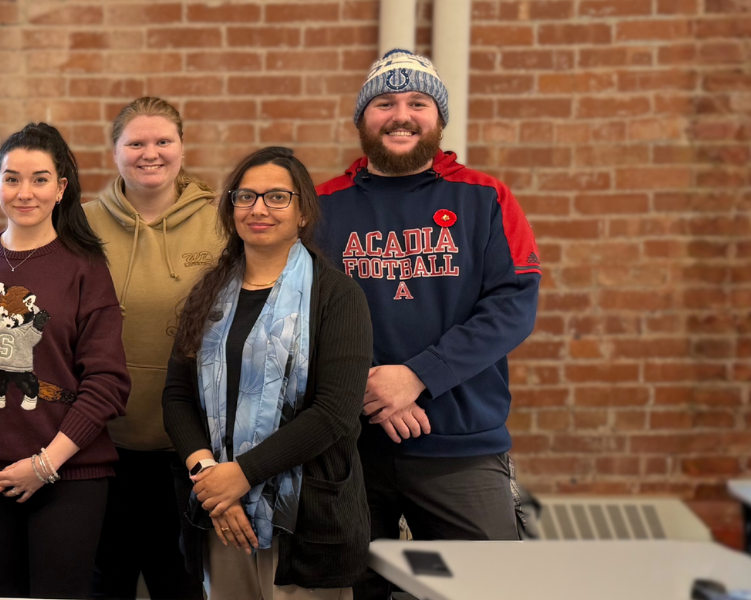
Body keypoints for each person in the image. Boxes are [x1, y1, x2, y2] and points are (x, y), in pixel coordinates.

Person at [312, 50, 542, 600]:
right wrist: (372, 386)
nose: (401, 115)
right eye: (384, 103)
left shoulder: (486, 198)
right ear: (362, 119)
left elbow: (513, 304)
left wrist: (417, 376)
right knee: (350, 590)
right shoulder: (319, 207)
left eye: (418, 103)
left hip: (461, 446)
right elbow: (299, 315)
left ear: (438, 120)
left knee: (489, 590)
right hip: (349, 448)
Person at [0, 122, 130, 599]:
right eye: (12, 178)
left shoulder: (85, 267)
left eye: (39, 178)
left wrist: (45, 464)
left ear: (61, 188)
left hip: (70, 475)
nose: (25, 192)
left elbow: (107, 381)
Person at [164, 147, 373, 600]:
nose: (259, 208)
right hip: (220, 514)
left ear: (302, 212)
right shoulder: (210, 293)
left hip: (306, 522)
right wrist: (211, 480)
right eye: (246, 196)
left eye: (277, 197)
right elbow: (177, 397)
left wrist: (240, 474)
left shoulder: (337, 296)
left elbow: (335, 413)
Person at [83, 96, 220, 600]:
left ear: (183, 147)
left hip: (188, 444)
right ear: (115, 152)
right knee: (106, 580)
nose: (151, 153)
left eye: (164, 140)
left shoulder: (221, 221)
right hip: (100, 441)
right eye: (136, 142)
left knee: (179, 580)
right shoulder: (82, 224)